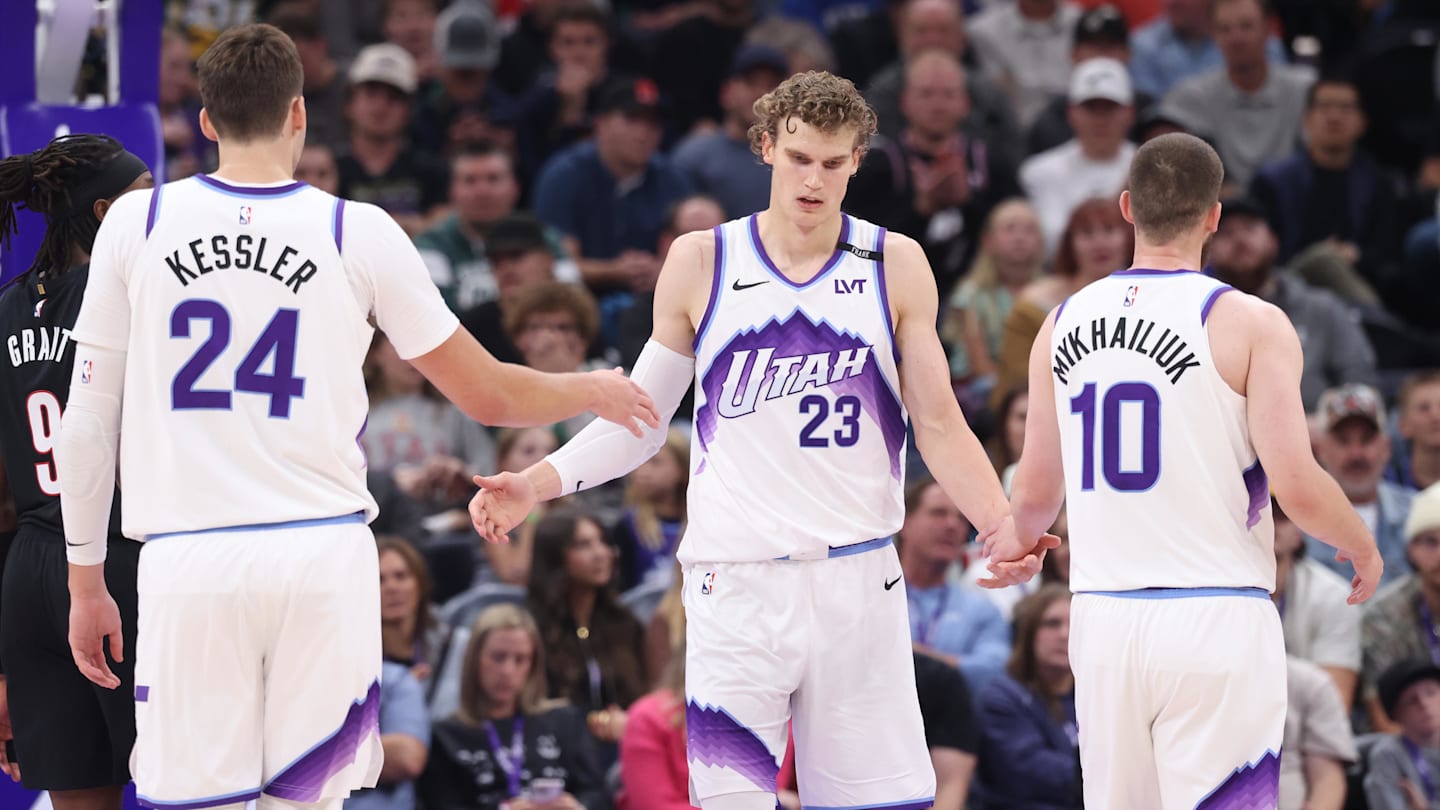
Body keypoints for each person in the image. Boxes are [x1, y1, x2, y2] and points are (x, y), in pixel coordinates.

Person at [56, 23, 656, 810]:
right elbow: (485, 393)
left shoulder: (135, 225)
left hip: (189, 558)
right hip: (321, 556)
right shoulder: (357, 229)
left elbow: (88, 421)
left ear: (205, 121)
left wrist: (85, 578)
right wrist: (589, 387)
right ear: (301, 114)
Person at [470, 69, 1046, 810]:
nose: (814, 178)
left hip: (858, 577)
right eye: (800, 157)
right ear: (767, 146)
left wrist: (1000, 525)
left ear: (857, 162)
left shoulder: (893, 262)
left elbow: (937, 422)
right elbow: (642, 423)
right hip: (735, 582)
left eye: (833, 164)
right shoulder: (702, 260)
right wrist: (536, 483)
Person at [986, 132, 1383, 808]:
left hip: (1105, 619)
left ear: (1126, 208)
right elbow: (1295, 481)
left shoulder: (1061, 320)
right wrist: (1362, 543)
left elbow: (1033, 490)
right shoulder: (1251, 322)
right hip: (1216, 613)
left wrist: (1011, 546)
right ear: (1215, 216)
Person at [0, 134, 152, 810]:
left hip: (29, 570)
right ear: (102, 214)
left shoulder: (5, 306)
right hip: (114, 559)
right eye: (143, 198)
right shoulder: (125, 294)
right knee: (194, 785)